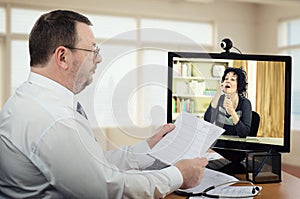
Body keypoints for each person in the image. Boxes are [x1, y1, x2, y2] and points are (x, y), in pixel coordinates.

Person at [0, 10, 208, 198]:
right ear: (62, 57)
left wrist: (148, 147)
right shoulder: (55, 120)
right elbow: (107, 189)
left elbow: (91, 166)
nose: (98, 59)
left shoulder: (28, 98)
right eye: (92, 50)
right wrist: (178, 175)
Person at [204, 67, 252, 167]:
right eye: (226, 79)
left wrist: (232, 112)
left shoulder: (245, 103)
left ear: (239, 85)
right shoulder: (219, 99)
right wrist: (217, 94)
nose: (228, 81)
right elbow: (207, 120)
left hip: (238, 150)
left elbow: (244, 133)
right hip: (220, 148)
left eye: (232, 79)